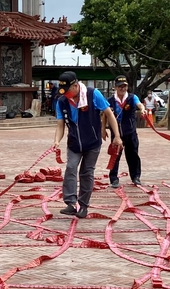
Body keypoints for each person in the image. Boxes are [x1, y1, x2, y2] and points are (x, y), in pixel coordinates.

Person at [53, 71, 123, 218]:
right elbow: (60, 125)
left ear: (76, 86)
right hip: (74, 143)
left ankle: (83, 206)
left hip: (92, 142)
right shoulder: (62, 101)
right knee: (71, 167)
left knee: (86, 172)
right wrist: (57, 141)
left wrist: (117, 136)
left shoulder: (93, 94)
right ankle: (70, 203)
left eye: (68, 91)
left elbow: (109, 114)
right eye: (63, 92)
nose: (66, 94)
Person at [108, 75, 146, 188]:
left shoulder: (132, 97)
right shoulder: (110, 100)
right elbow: (104, 114)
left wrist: (143, 110)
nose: (122, 89)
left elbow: (139, 104)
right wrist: (102, 129)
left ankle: (136, 176)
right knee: (115, 155)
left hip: (130, 131)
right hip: (116, 133)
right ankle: (114, 178)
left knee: (133, 155)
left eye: (124, 86)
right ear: (115, 87)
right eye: (120, 86)